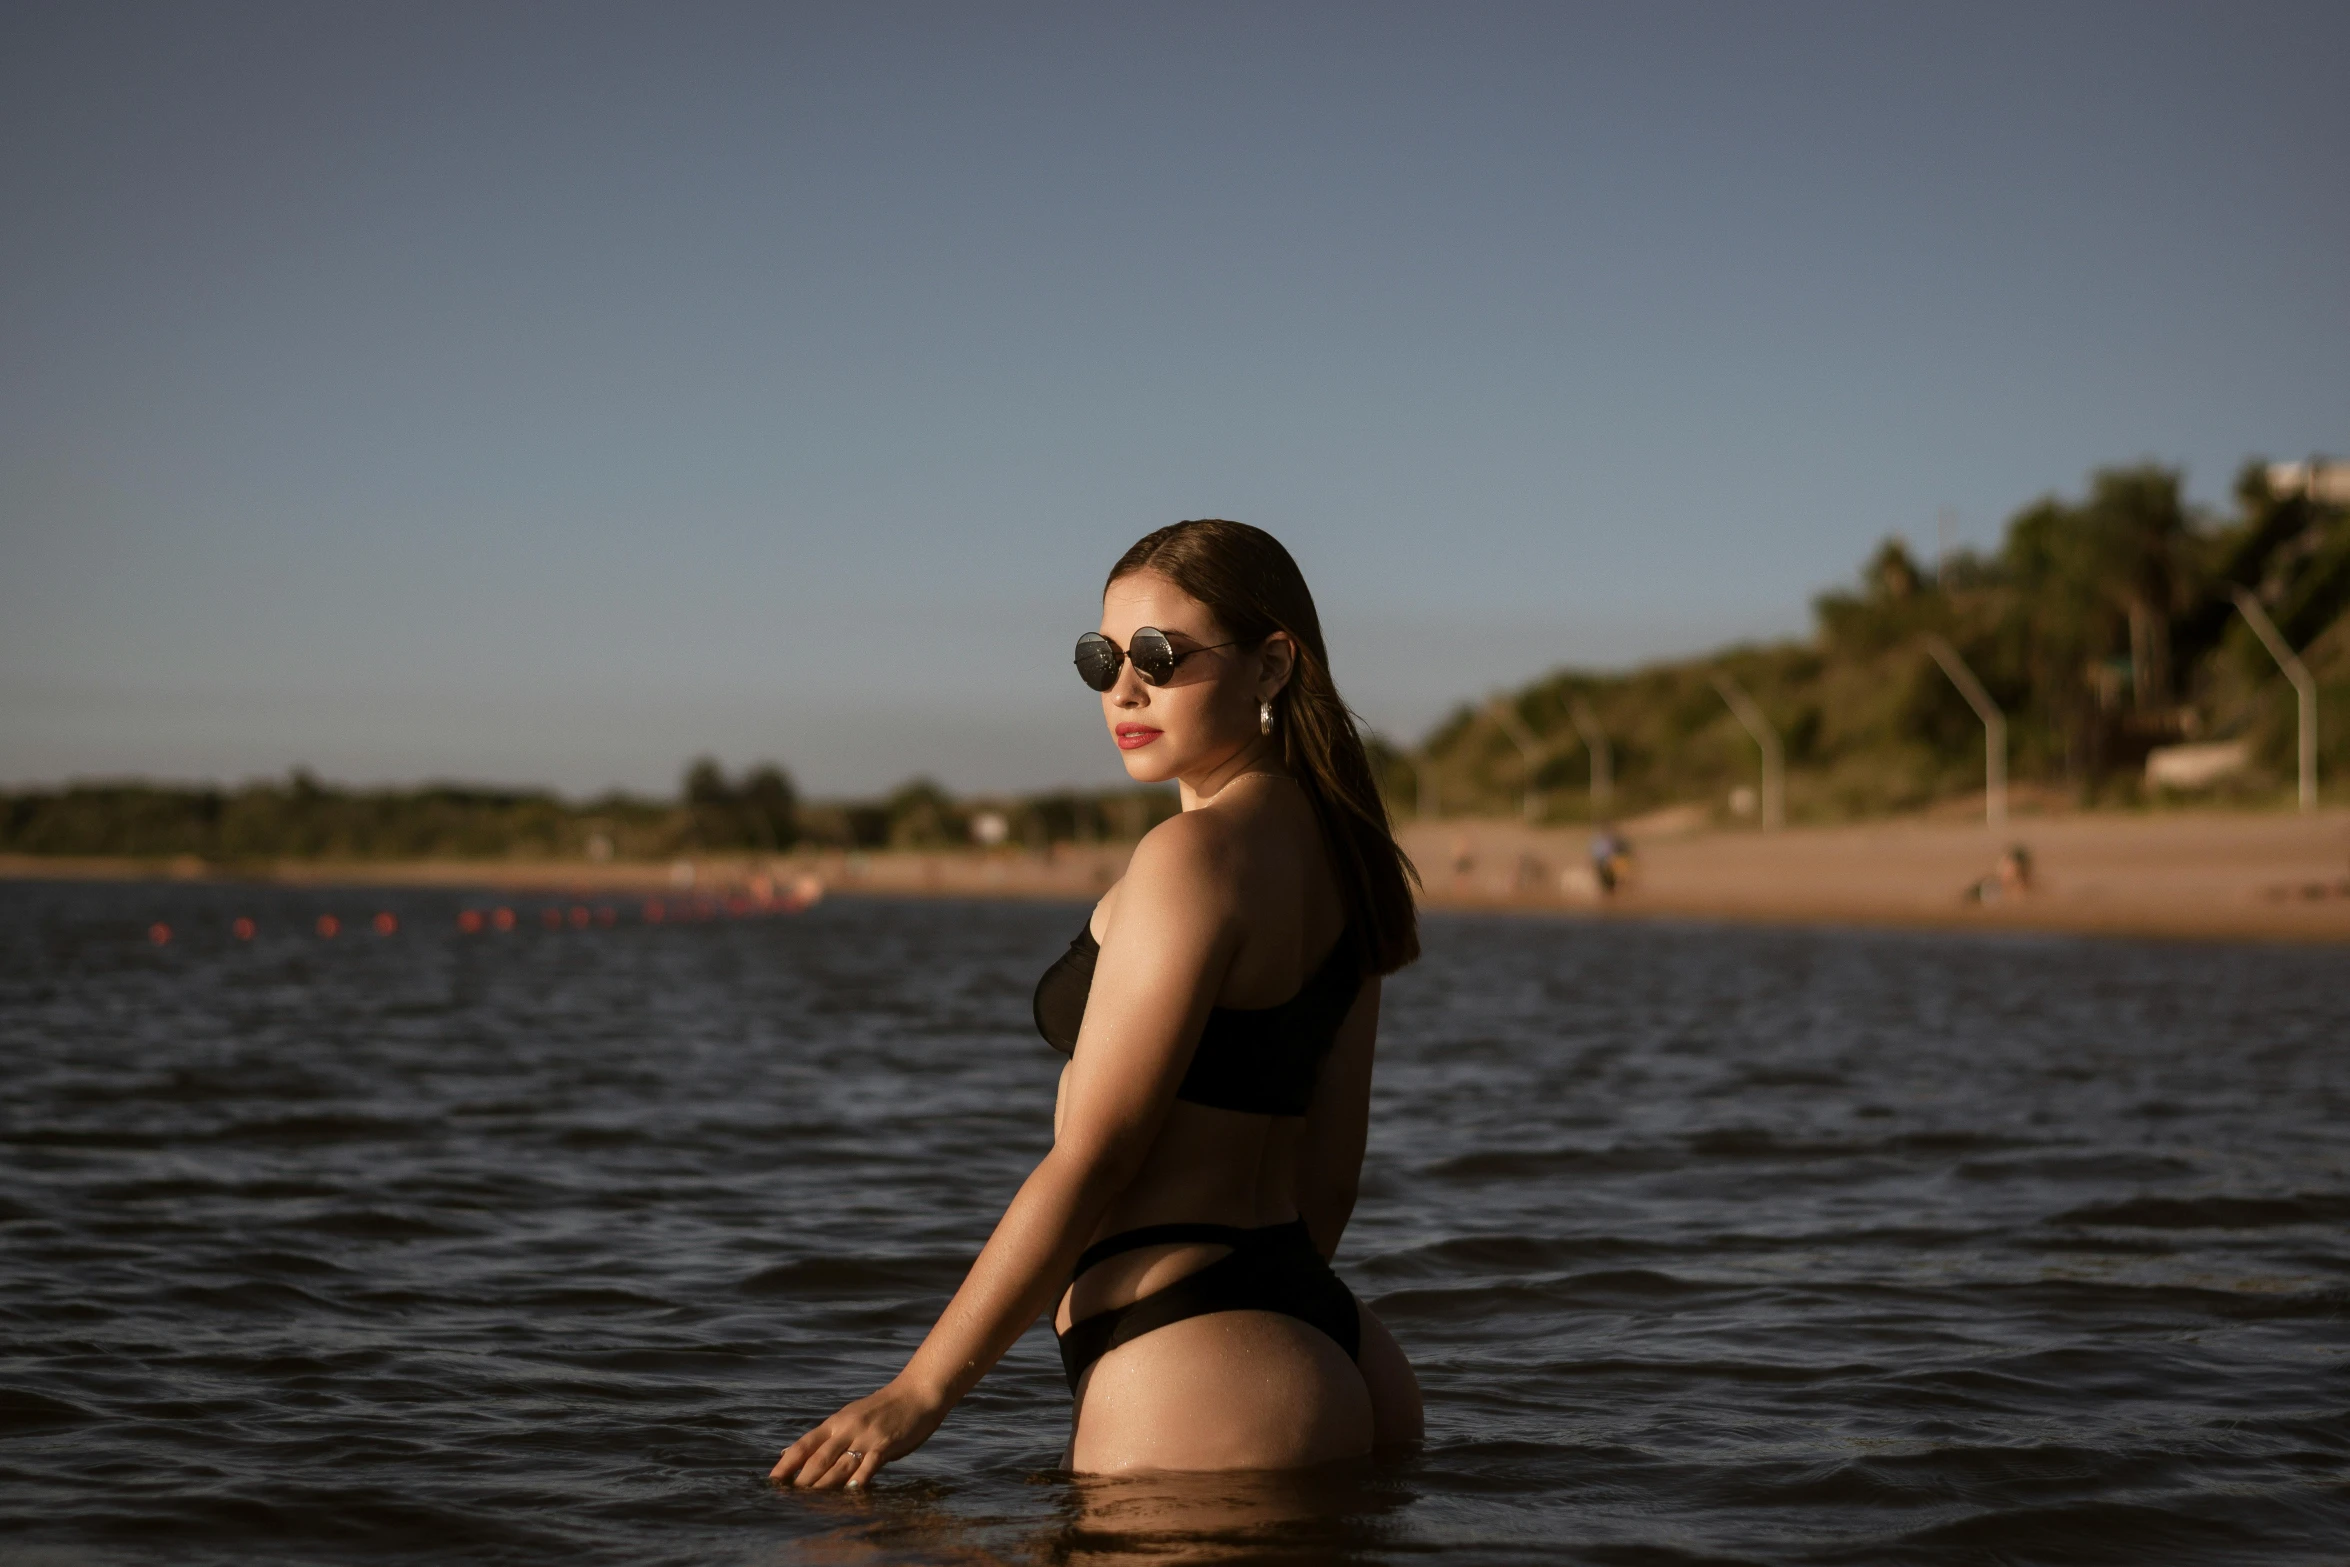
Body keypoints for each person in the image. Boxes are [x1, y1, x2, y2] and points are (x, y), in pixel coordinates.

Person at [770, 519, 1425, 1487]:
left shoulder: (1189, 859)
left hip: (1195, 1366)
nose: (1124, 688)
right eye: (1101, 657)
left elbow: (1098, 1155)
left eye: (1161, 656)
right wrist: (1277, 1329)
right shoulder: (1350, 862)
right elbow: (1331, 1175)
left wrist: (918, 1391)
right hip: (1328, 1339)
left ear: (1272, 663)